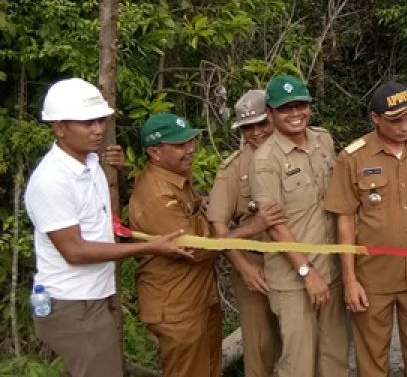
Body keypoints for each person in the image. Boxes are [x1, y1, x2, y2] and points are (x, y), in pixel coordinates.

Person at [25, 78, 190, 377]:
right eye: (87, 123)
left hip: (94, 298)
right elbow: (74, 251)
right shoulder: (51, 181)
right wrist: (153, 246)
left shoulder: (91, 164)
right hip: (74, 304)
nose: (98, 129)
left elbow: (97, 220)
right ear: (59, 127)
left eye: (100, 120)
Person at [129, 112, 283, 377]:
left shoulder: (174, 177)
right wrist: (251, 227)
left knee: (209, 369)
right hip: (177, 306)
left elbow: (189, 212)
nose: (190, 150)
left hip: (199, 298)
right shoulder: (157, 196)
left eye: (191, 141)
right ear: (155, 152)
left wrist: (201, 202)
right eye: (179, 145)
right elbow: (196, 249)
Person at [325, 82, 407, 377]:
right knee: (373, 356)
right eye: (395, 120)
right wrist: (350, 280)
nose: (404, 126)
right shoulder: (353, 158)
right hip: (373, 276)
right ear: (375, 118)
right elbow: (346, 220)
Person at [250, 74, 349, 377]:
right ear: (270, 114)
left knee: (335, 360)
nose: (295, 114)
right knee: (299, 364)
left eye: (300, 105)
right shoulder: (265, 160)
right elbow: (275, 225)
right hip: (295, 280)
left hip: (330, 270)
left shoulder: (323, 139)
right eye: (285, 109)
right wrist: (307, 272)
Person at [206, 89, 282, 377]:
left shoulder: (302, 152)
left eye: (263, 123)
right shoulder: (233, 168)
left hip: (298, 262)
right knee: (259, 346)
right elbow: (218, 225)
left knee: (301, 343)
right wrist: (243, 266)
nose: (257, 132)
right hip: (256, 264)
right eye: (248, 127)